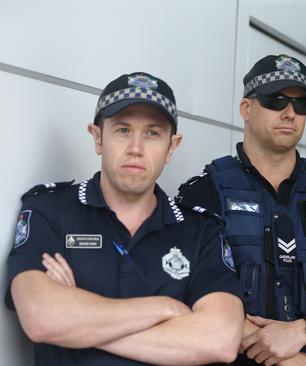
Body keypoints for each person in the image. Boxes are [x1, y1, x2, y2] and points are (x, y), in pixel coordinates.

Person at [5, 72, 244, 365]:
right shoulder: (50, 211)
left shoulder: (201, 231)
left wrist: (77, 322)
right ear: (97, 137)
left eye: (152, 133)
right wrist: (165, 308)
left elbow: (220, 340)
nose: (136, 148)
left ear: (172, 147)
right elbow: (42, 318)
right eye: (122, 130)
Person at [176, 55, 306, 365]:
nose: (290, 113)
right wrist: (282, 356)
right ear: (246, 108)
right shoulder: (203, 193)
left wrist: (302, 331)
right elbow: (186, 290)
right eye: (276, 100)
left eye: (301, 105)